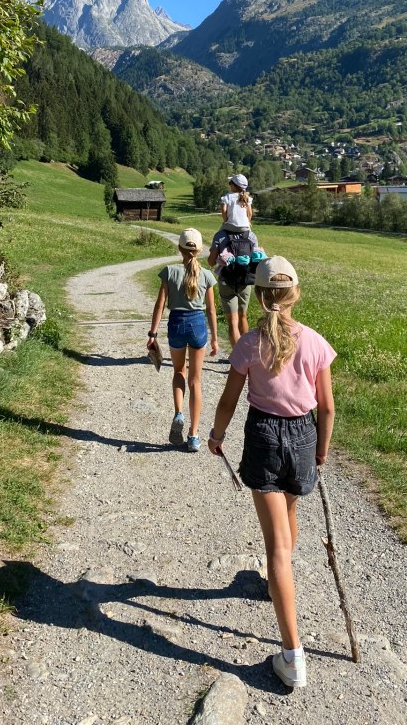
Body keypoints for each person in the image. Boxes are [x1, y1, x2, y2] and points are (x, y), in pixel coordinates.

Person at [207, 256, 336, 688]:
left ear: (260, 298)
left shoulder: (247, 344)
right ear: (295, 294)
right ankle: (276, 586)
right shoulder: (316, 342)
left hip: (263, 435)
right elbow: (328, 407)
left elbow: (228, 400)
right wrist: (320, 450)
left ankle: (292, 655)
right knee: (290, 515)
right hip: (302, 437)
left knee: (276, 548)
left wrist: (217, 434)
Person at [147, 228, 219, 452]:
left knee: (179, 372)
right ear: (199, 250)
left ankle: (178, 412)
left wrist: (153, 334)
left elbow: (159, 305)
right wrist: (215, 339)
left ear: (179, 248)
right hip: (197, 324)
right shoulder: (206, 275)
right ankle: (194, 435)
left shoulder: (169, 271)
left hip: (176, 323)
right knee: (195, 381)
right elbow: (211, 310)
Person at [208, 226, 265, 348]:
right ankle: (246, 355)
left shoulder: (220, 235)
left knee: (232, 321)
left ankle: (237, 357)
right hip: (245, 280)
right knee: (243, 316)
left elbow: (211, 262)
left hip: (226, 280)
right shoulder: (251, 235)